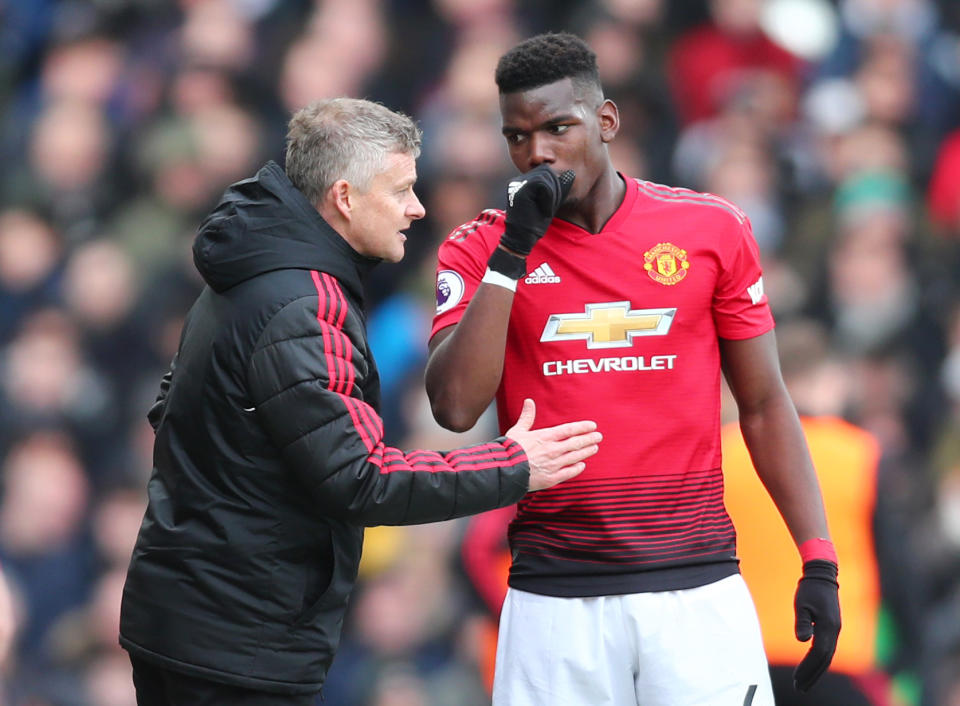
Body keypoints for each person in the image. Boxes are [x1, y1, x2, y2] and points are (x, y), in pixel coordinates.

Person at [118, 97, 603, 705]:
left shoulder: (251, 269)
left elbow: (173, 411)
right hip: (236, 644)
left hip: (184, 618)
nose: (417, 208)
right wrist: (514, 465)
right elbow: (361, 477)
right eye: (401, 190)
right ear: (345, 198)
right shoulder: (304, 303)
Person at [426, 32, 840, 706]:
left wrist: (817, 557)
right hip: (553, 599)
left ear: (606, 121)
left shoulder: (711, 230)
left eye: (558, 127)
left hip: (696, 592)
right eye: (518, 137)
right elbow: (454, 407)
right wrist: (513, 255)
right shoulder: (478, 247)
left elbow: (764, 403)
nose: (539, 153)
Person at [723, 320, 919, 706]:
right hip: (837, 659)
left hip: (743, 661)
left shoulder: (724, 452)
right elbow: (896, 567)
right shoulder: (861, 453)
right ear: (826, 377)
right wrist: (911, 653)